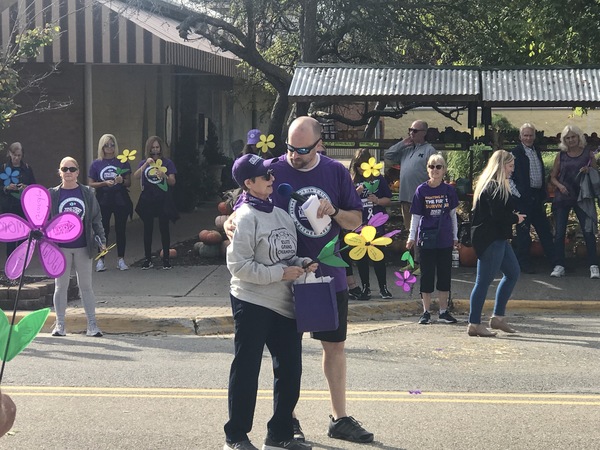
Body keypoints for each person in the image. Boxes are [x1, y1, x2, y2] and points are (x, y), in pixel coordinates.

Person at [225, 117, 374, 444]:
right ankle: (286, 421)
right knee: (286, 358)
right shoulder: (272, 169)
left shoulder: (335, 172)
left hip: (325, 275)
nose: (294, 155)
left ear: (319, 144)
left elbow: (356, 220)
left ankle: (339, 417)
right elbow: (242, 208)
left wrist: (334, 211)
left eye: (302, 150)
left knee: (333, 345)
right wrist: (229, 224)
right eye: (290, 147)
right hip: (279, 282)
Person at [224, 153, 316, 450]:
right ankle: (236, 436)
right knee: (247, 369)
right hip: (251, 300)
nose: (272, 179)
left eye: (271, 175)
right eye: (266, 177)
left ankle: (279, 435)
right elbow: (238, 266)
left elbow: (287, 254)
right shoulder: (244, 217)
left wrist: (303, 262)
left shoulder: (281, 214)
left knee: (290, 369)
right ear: (249, 183)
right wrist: (280, 273)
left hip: (284, 302)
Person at [468, 150, 525, 337]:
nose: (512, 170)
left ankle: (498, 317)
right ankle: (474, 323)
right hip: (490, 238)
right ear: (501, 166)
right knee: (483, 281)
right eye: (510, 166)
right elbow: (498, 215)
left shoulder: (496, 185)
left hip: (497, 237)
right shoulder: (494, 187)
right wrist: (515, 218)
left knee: (512, 272)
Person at [49, 157, 106, 337]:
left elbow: (96, 218)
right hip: (60, 248)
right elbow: (45, 219)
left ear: (78, 172)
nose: (68, 173)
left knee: (86, 286)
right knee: (60, 286)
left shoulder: (87, 193)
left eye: (72, 169)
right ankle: (59, 325)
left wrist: (102, 239)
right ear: (59, 171)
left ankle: (92, 325)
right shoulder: (53, 194)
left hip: (83, 246)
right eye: (64, 169)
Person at [407, 154, 459, 325]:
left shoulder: (449, 190)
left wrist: (455, 236)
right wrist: (411, 237)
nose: (435, 170)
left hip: (444, 238)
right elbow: (416, 216)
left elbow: (453, 216)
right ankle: (426, 311)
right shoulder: (421, 190)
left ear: (444, 170)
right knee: (427, 275)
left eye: (438, 167)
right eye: (432, 166)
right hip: (427, 238)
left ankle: (444, 311)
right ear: (427, 169)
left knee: (444, 275)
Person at [384, 120, 436, 272]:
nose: (411, 133)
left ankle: (422, 263)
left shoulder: (429, 151)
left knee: (421, 231)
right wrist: (403, 143)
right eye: (410, 130)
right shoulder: (406, 149)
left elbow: (435, 173)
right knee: (410, 231)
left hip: (420, 199)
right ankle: (413, 262)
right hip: (405, 197)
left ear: (424, 133)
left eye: (415, 131)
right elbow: (388, 155)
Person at [549, 125, 599, 279]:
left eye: (573, 137)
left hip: (582, 198)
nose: (571, 140)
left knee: (588, 231)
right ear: (564, 140)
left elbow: (596, 174)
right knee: (559, 233)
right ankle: (559, 265)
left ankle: (593, 266)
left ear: (579, 137)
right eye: (568, 138)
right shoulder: (561, 155)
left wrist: (589, 170)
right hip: (563, 196)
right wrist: (560, 186)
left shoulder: (588, 155)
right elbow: (552, 176)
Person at [510, 123, 556, 274]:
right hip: (523, 198)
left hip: (537, 196)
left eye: (530, 135)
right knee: (523, 232)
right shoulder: (515, 153)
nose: (528, 138)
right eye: (525, 135)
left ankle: (556, 263)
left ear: (535, 136)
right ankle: (523, 264)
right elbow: (508, 178)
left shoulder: (537, 151)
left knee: (544, 230)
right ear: (520, 136)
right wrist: (519, 195)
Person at [348, 148, 393, 300]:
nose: (361, 169)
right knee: (361, 258)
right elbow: (345, 202)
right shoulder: (351, 180)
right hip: (359, 225)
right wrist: (356, 193)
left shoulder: (378, 179)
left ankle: (383, 287)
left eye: (364, 165)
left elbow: (388, 199)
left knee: (378, 256)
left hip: (375, 223)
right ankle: (366, 287)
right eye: (358, 166)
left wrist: (378, 201)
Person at [88, 134, 133, 272]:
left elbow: (129, 182)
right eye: (106, 145)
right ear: (102, 146)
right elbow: (90, 183)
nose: (109, 148)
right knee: (103, 231)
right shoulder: (96, 164)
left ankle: (121, 259)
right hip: (103, 200)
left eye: (112, 144)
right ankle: (101, 260)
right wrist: (104, 183)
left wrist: (122, 181)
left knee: (121, 229)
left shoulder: (122, 161)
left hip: (120, 199)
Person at [133, 136, 179, 270]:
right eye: (152, 147)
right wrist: (146, 164)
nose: (155, 150)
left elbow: (172, 182)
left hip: (162, 199)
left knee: (164, 228)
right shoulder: (144, 162)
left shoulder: (167, 163)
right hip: (148, 198)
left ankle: (166, 259)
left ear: (161, 148)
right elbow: (136, 176)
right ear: (148, 149)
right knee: (148, 229)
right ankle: (147, 259)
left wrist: (163, 175)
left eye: (157, 147)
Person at [0, 142, 36, 257]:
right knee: (10, 239)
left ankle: (20, 268)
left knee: (23, 239)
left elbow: (34, 186)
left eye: (19, 155)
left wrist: (26, 188)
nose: (16, 158)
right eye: (14, 155)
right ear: (10, 153)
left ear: (22, 155)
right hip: (9, 209)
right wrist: (6, 187)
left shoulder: (26, 168)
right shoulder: (4, 168)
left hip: (23, 209)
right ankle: (10, 269)